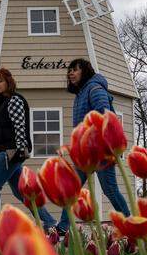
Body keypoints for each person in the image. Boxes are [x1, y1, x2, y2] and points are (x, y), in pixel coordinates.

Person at [56, 58, 131, 233]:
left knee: (110, 190)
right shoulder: (81, 93)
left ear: (85, 71)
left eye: (75, 69)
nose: (71, 73)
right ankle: (63, 227)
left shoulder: (94, 89)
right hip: (85, 153)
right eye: (69, 70)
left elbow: (104, 115)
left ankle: (129, 223)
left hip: (100, 151)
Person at [0, 68, 57, 229]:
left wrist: (18, 152)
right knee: (21, 192)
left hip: (10, 152)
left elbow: (19, 127)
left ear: (8, 83)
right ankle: (50, 222)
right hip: (4, 152)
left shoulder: (14, 100)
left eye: (0, 81)